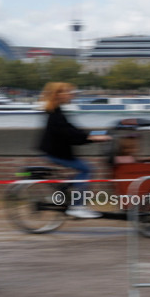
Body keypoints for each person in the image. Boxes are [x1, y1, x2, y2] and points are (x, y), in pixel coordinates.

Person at [38, 82, 110, 218]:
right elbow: (68, 134)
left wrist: (91, 136)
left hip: (56, 151)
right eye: (68, 92)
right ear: (58, 95)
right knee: (87, 169)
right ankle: (77, 206)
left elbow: (71, 129)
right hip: (57, 153)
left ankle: (60, 191)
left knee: (82, 171)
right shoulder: (55, 114)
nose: (72, 95)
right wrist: (91, 138)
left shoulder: (56, 111)